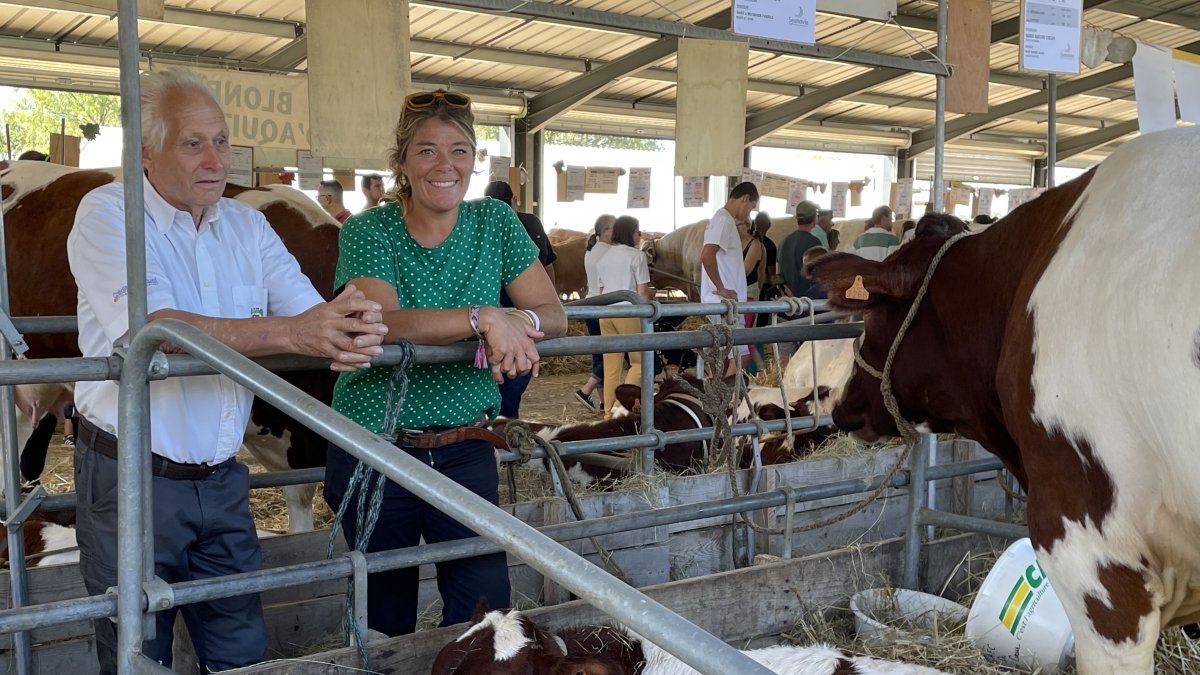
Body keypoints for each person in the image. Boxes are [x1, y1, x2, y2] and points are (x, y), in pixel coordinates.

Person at [66, 68, 388, 674]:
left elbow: (307, 310)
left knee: (240, 647)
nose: (215, 159)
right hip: (130, 475)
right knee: (137, 648)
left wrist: (352, 326)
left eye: (222, 142)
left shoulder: (246, 224)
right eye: (193, 143)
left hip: (221, 479)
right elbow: (151, 330)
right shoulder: (108, 215)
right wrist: (295, 334)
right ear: (145, 150)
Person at [326, 90, 566, 637]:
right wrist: (483, 315)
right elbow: (383, 320)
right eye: (427, 151)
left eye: (459, 151)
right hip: (378, 447)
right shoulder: (369, 230)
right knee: (386, 614)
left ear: (475, 159)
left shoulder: (496, 222)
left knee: (486, 609)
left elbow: (553, 315)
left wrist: (513, 322)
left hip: (465, 448)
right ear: (403, 163)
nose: (445, 166)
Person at [484, 180, 559, 418]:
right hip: (517, 315)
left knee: (505, 373)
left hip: (502, 314)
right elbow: (547, 264)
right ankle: (505, 420)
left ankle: (502, 421)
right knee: (511, 372)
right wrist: (549, 299)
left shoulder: (493, 223)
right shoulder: (529, 222)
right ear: (514, 200)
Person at [595, 216, 652, 416]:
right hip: (629, 311)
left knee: (611, 364)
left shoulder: (604, 258)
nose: (640, 235)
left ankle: (609, 411)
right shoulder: (637, 256)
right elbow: (642, 292)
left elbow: (602, 291)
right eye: (638, 231)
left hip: (607, 312)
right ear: (630, 233)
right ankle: (622, 406)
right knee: (640, 361)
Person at [700, 182, 758, 376]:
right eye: (751, 207)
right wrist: (721, 287)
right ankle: (728, 402)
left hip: (721, 302)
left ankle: (717, 398)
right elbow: (707, 255)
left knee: (720, 356)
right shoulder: (724, 221)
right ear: (745, 198)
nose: (749, 213)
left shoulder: (719, 219)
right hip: (726, 303)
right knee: (741, 357)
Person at [577, 214, 616, 412]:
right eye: (613, 227)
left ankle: (603, 402)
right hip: (604, 306)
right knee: (611, 353)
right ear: (604, 232)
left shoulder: (590, 251)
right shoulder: (610, 252)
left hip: (589, 305)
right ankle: (586, 389)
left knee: (599, 353)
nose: (616, 230)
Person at [737, 218, 767, 372]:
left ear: (748, 226)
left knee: (745, 330)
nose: (737, 228)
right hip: (734, 293)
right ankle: (761, 368)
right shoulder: (732, 245)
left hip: (748, 290)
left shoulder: (754, 245)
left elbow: (745, 270)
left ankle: (760, 367)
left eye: (740, 225)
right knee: (740, 331)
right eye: (734, 225)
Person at [778, 201, 823, 299]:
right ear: (815, 218)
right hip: (805, 303)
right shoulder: (814, 242)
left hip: (786, 300)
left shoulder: (785, 241)